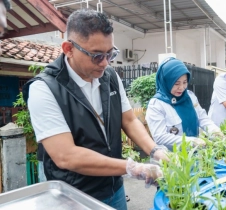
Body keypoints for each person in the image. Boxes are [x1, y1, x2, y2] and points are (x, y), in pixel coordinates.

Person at [22, 9, 167, 210]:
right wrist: (132, 167)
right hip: (73, 196)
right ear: (68, 49)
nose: (105, 63)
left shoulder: (109, 77)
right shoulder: (45, 88)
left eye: (110, 54)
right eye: (97, 56)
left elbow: (129, 120)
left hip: (113, 188)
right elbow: (66, 155)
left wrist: (155, 150)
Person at [145, 57, 224, 151]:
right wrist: (190, 142)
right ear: (166, 82)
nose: (181, 87)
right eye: (176, 83)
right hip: (171, 159)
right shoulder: (157, 105)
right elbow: (160, 137)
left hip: (195, 154)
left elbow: (202, 118)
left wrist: (214, 130)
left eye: (185, 82)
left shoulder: (190, 97)